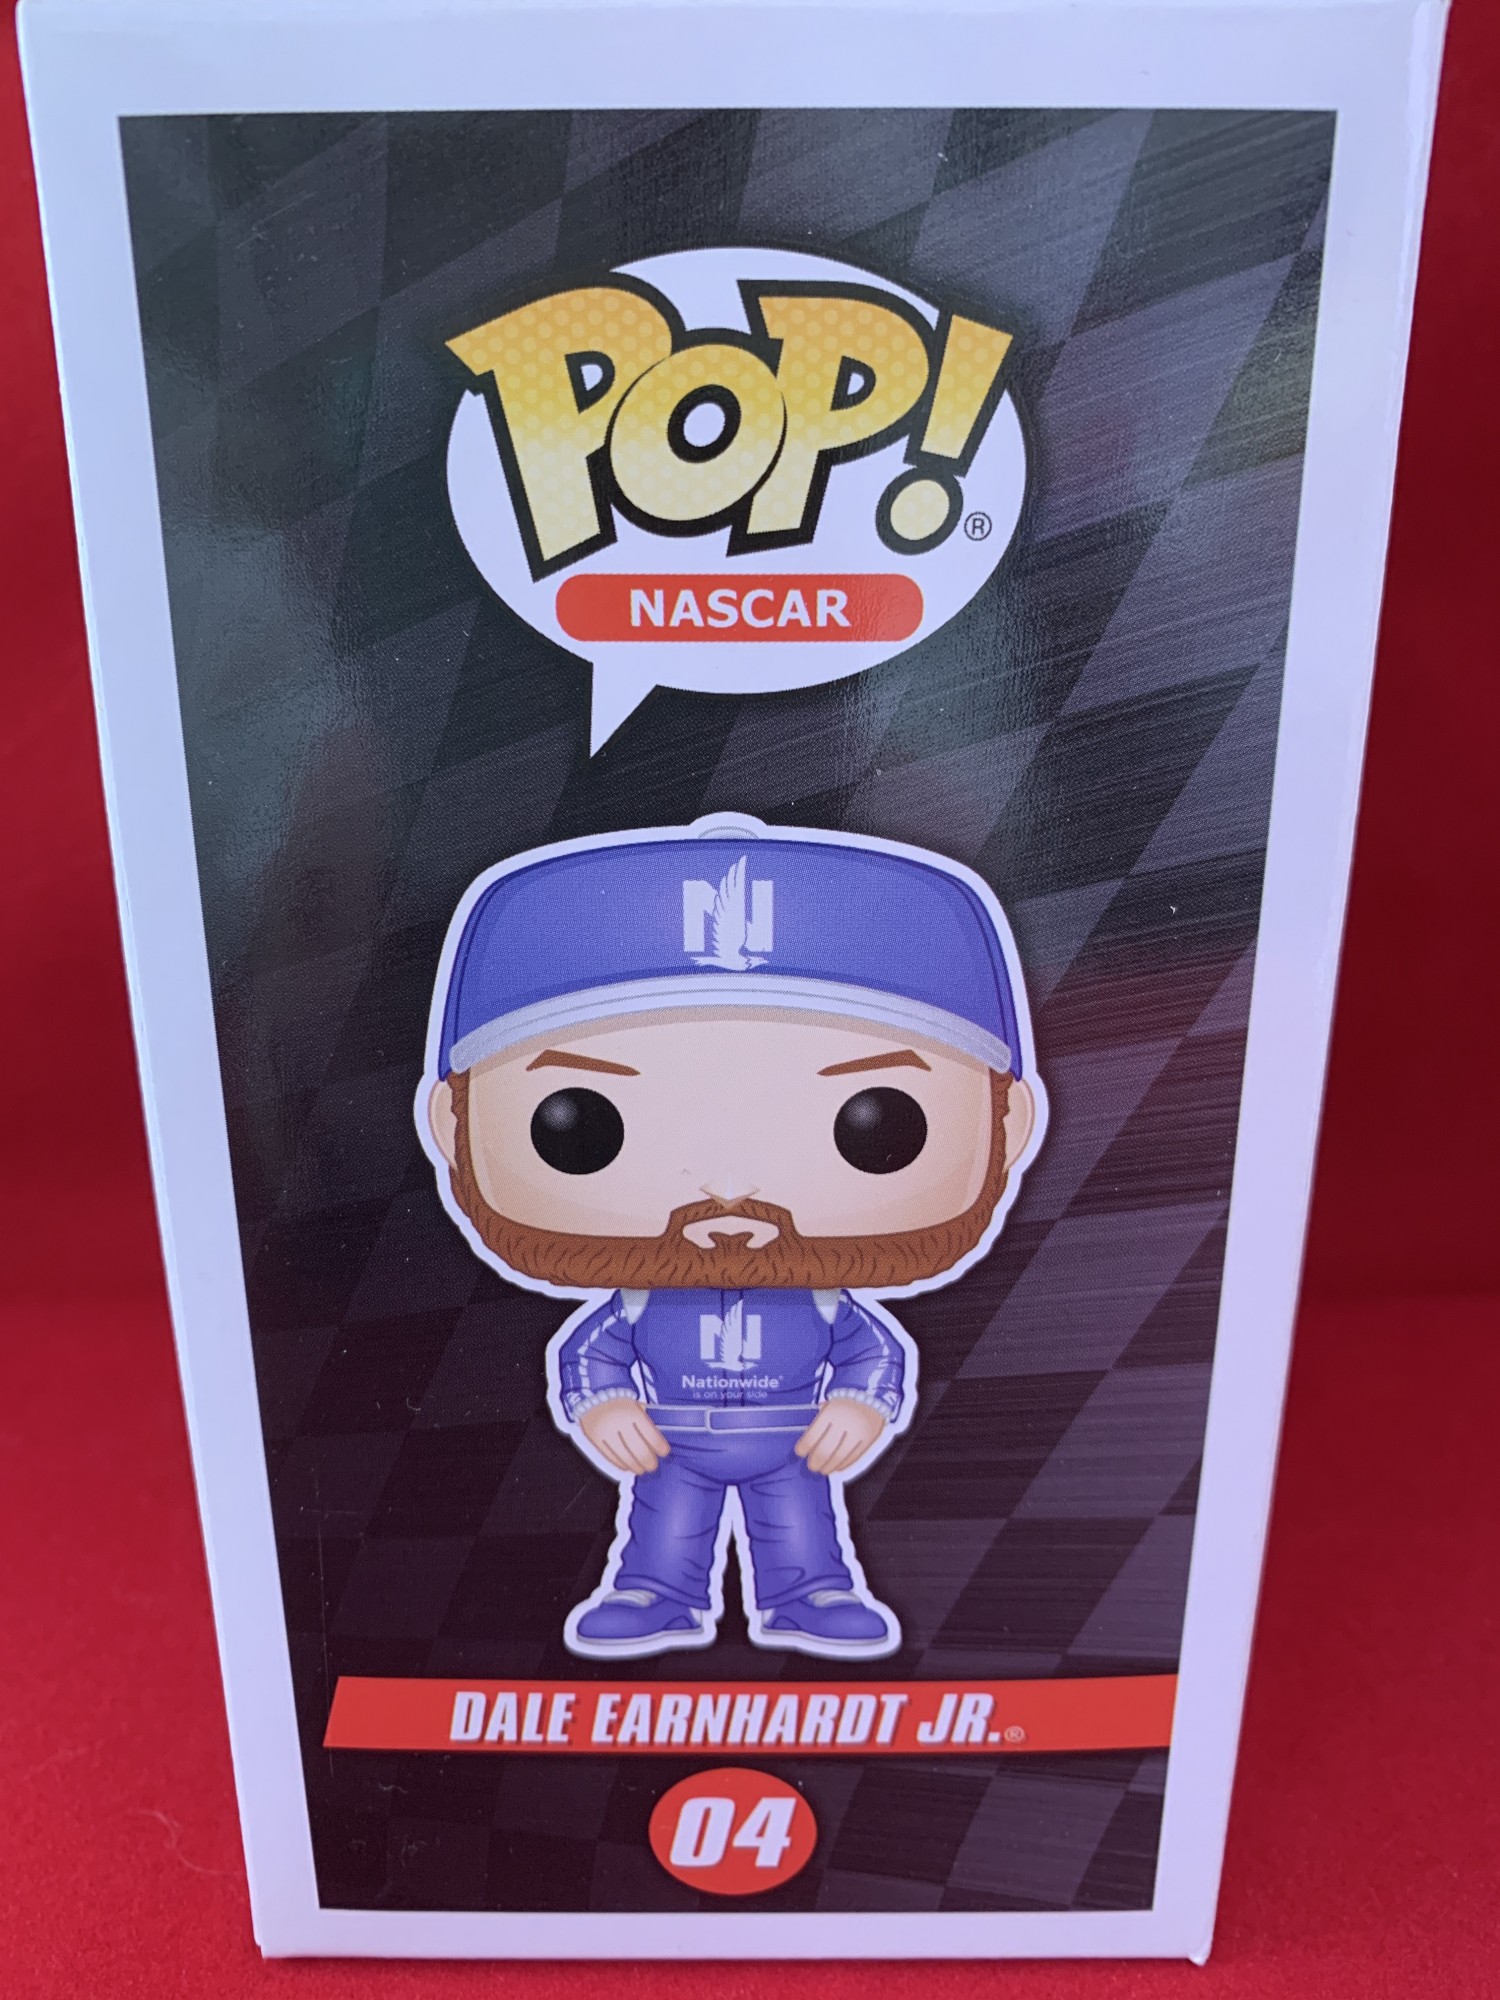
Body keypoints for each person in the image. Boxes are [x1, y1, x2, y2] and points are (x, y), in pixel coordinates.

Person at [420, 814, 1043, 1659]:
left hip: (792, 1438)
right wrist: (602, 1405)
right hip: (673, 1439)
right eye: (580, 1124)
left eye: (877, 1123)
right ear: (451, 1123)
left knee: (802, 1533)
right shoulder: (638, 1298)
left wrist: (862, 1404)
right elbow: (593, 1353)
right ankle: (656, 1593)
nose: (728, 1187)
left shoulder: (824, 1299)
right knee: (663, 1533)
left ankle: (810, 1593)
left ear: (1009, 1122)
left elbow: (871, 1353)